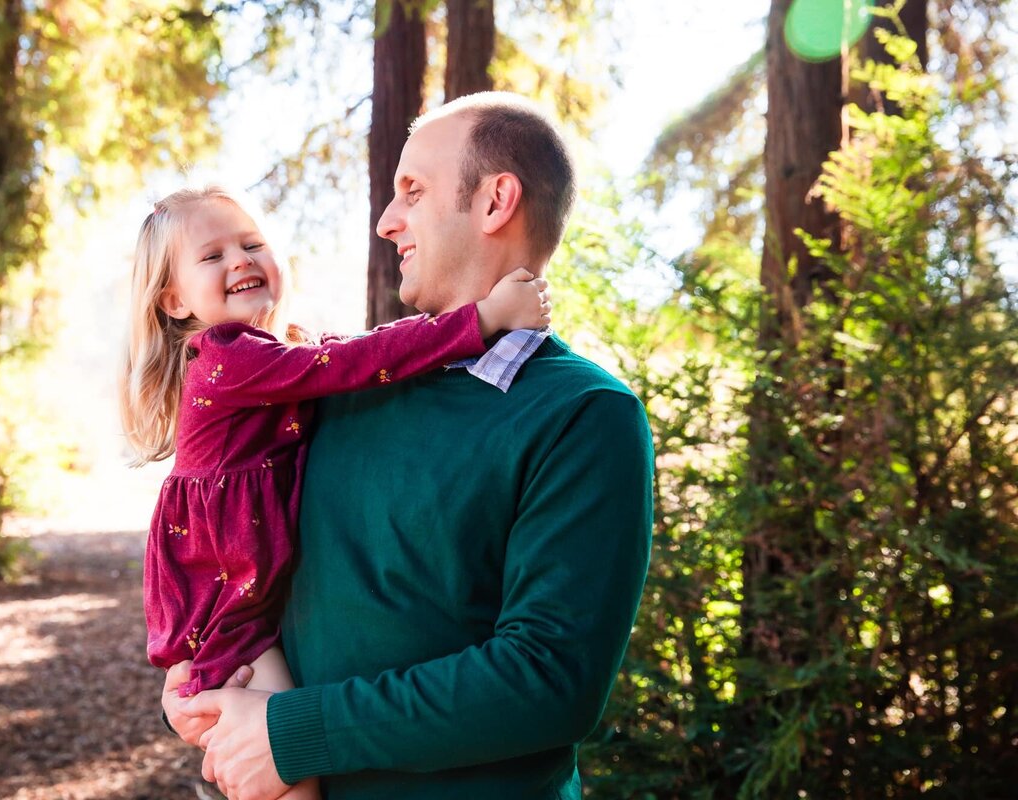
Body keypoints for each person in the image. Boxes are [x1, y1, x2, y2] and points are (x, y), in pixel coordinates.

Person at [164, 92, 654, 800]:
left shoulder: (584, 415)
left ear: (495, 203)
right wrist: (200, 673)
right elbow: (234, 542)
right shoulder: (336, 389)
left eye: (413, 192)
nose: (387, 222)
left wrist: (295, 732)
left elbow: (549, 679)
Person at [120, 185, 551, 800]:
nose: (240, 260)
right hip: (224, 594)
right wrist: (481, 319)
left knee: (270, 745)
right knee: (282, 763)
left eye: (251, 244)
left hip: (241, 586)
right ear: (173, 298)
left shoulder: (266, 353)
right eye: (211, 256)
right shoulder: (227, 360)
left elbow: (340, 356)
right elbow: (357, 361)